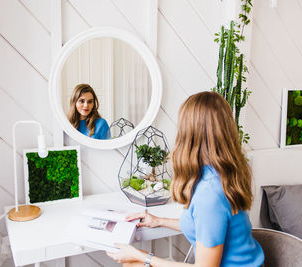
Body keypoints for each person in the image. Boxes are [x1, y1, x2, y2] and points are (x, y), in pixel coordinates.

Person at [107, 91, 264, 267]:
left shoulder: (210, 193)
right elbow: (207, 226)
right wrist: (158, 221)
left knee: (132, 264)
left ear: (189, 133)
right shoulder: (220, 173)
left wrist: (144, 256)